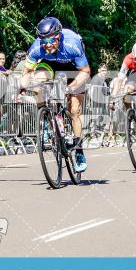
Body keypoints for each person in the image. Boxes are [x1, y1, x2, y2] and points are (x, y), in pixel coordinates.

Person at [20, 17, 91, 172]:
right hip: (50, 64)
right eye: (43, 41)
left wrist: (70, 88)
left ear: (58, 36)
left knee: (74, 111)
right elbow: (26, 72)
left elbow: (85, 72)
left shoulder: (72, 43)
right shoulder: (36, 48)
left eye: (50, 40)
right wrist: (24, 86)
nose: (47, 45)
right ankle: (45, 118)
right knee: (37, 81)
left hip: (73, 67)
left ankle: (79, 151)